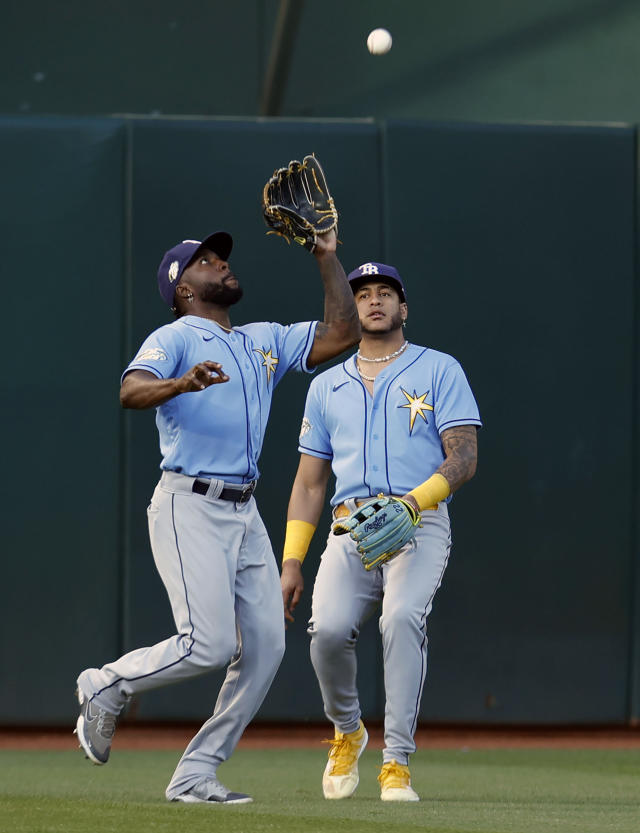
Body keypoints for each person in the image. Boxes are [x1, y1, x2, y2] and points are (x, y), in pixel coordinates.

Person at [75, 228, 360, 804]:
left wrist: (328, 257)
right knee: (205, 644)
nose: (221, 265)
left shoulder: (264, 339)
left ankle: (195, 774)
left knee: (265, 649)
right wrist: (180, 382)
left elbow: (343, 334)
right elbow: (131, 390)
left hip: (245, 511)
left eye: (221, 257)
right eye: (205, 262)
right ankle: (107, 684)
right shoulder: (175, 335)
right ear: (183, 288)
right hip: (190, 503)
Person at [280, 261, 481, 802]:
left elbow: (464, 457)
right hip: (350, 529)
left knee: (401, 619)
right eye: (363, 293)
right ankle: (348, 732)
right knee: (325, 632)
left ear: (403, 308)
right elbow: (310, 483)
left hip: (418, 520)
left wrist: (416, 503)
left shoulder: (439, 369)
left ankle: (396, 762)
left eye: (385, 292)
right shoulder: (326, 386)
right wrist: (292, 559)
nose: (373, 300)